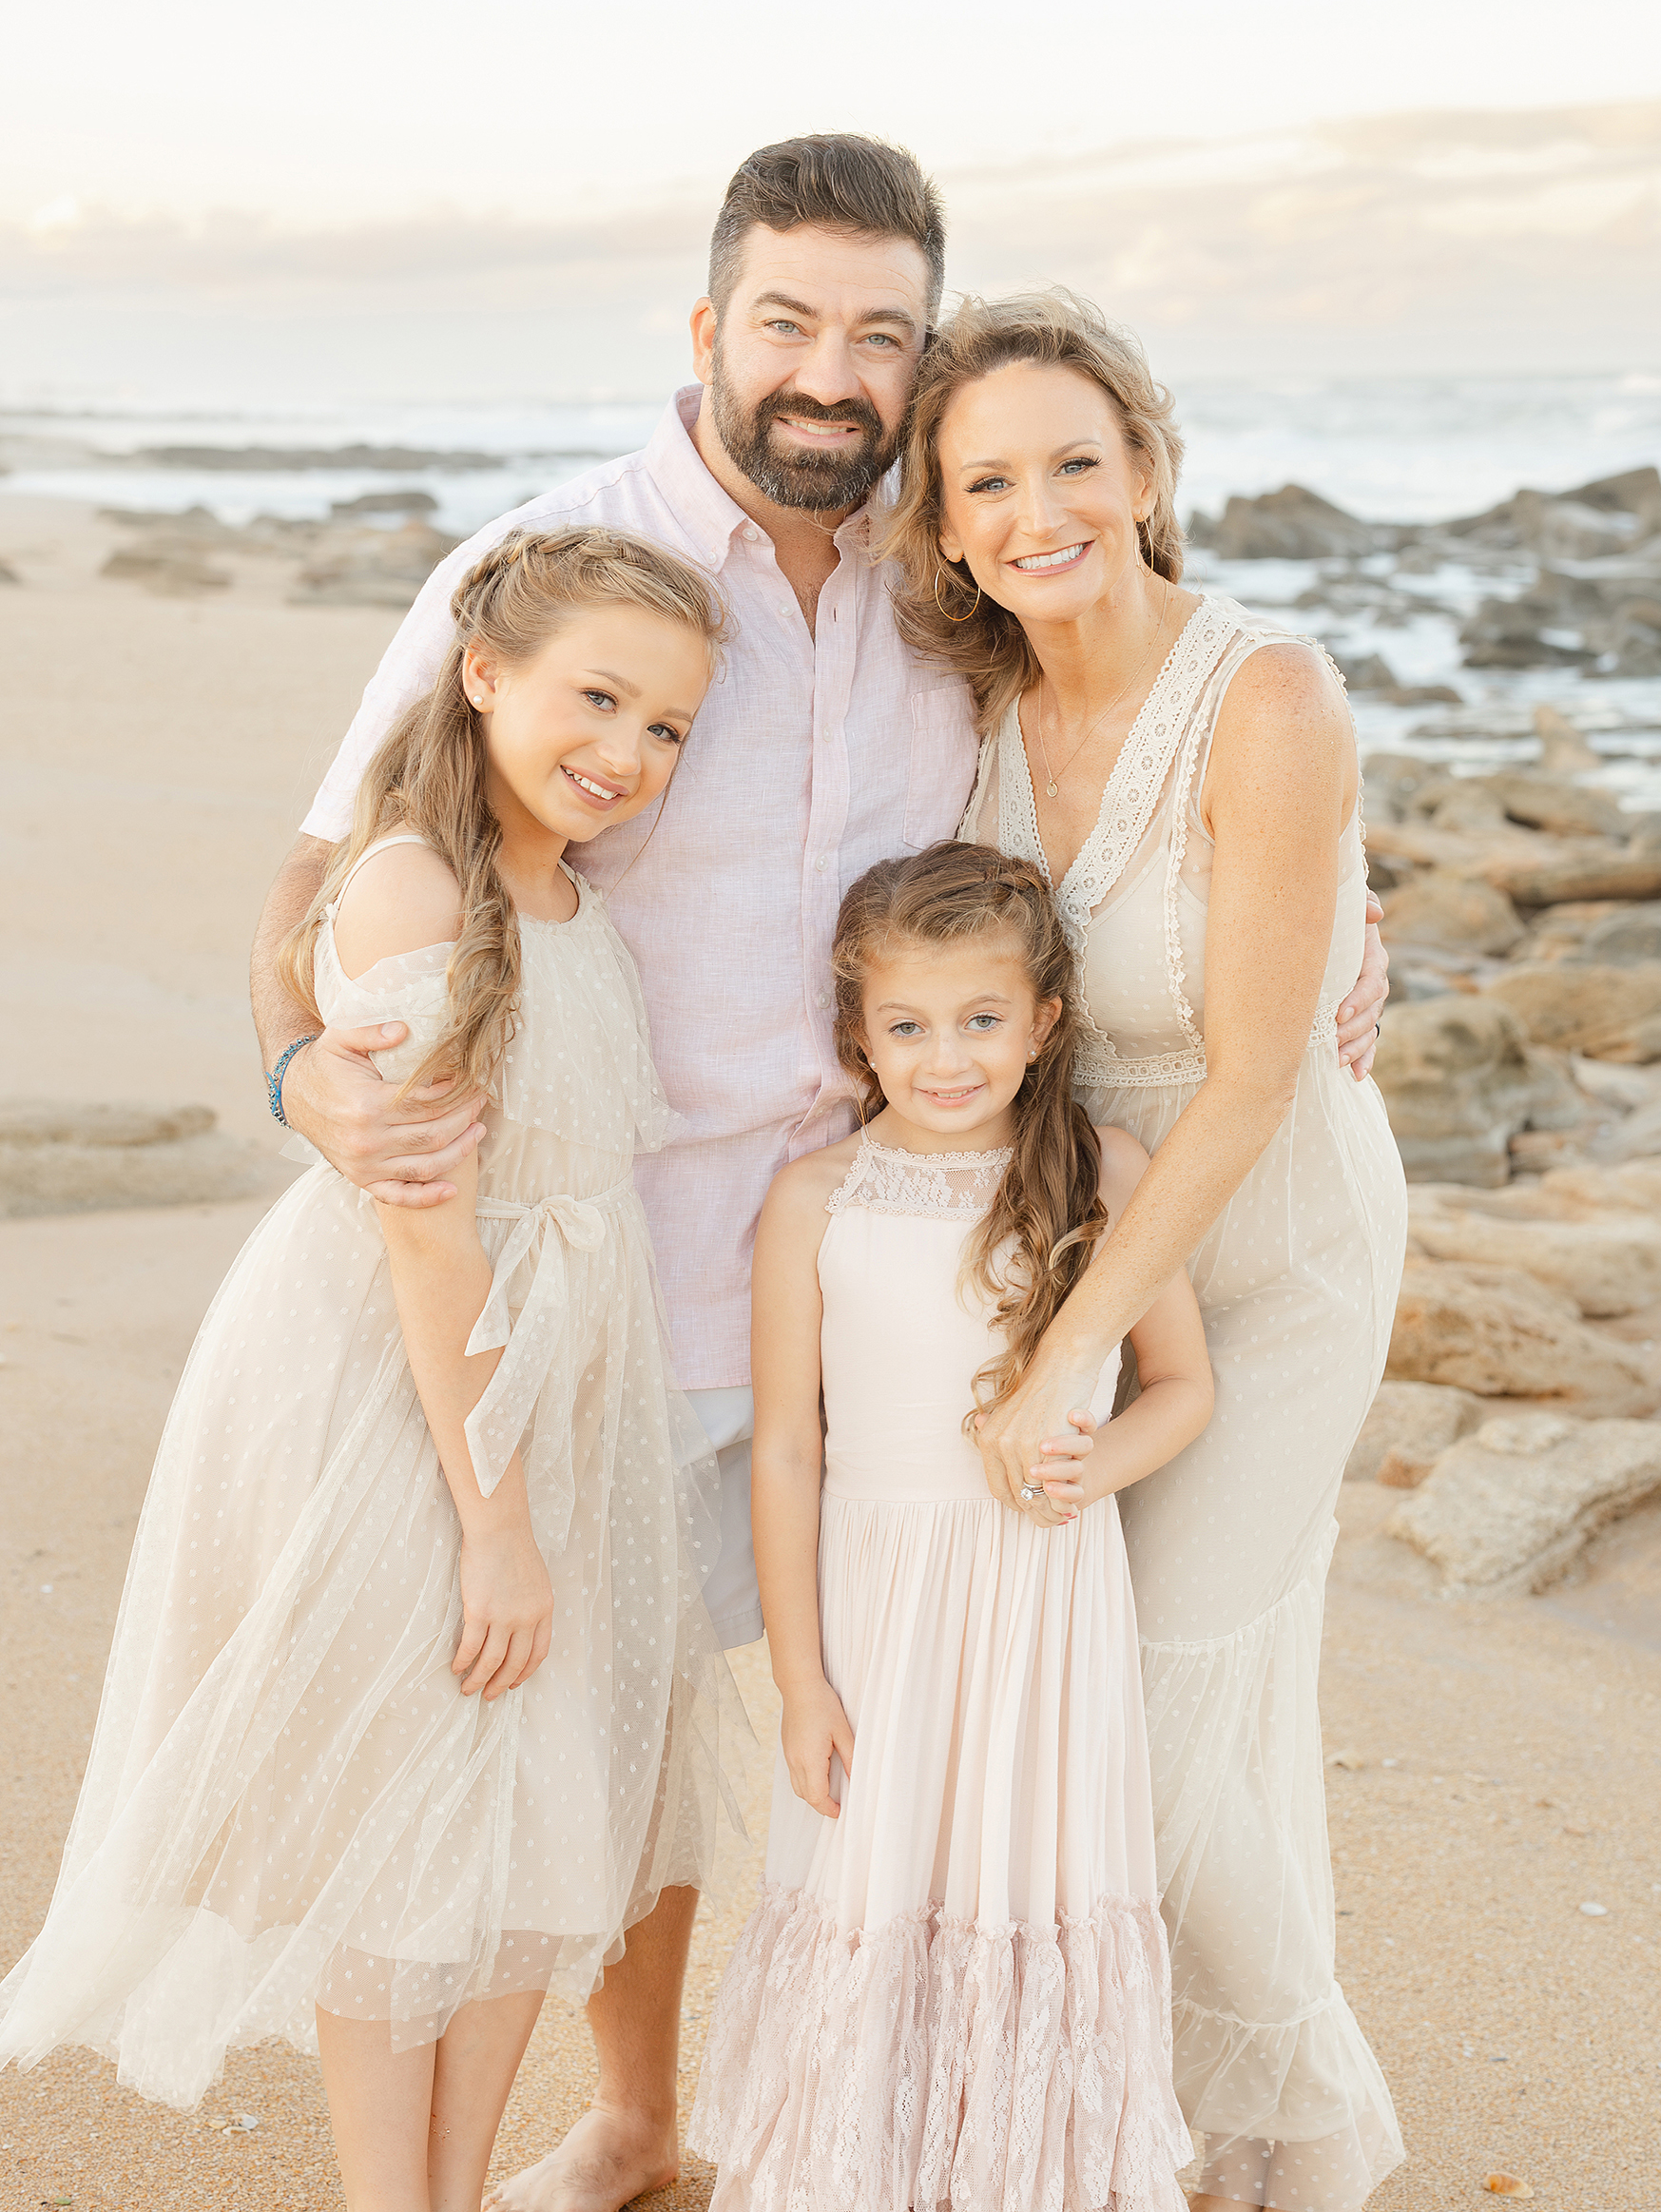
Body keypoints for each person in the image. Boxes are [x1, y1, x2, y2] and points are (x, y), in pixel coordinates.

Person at [245, 134, 1390, 2211]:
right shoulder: (555, 564)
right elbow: (331, 870)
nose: (830, 372)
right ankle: (642, 2120)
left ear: (925, 356)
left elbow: (1140, 821)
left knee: (984, 1707)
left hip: (910, 1256)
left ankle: (1077, 2123)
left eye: (879, 334)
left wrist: (1340, 925)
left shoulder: (940, 594)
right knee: (587, 1731)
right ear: (707, 328)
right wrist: (297, 1073)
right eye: (787, 321)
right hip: (603, 1246)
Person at [0, 528, 736, 2212]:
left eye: (668, 726)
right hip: (411, 1395)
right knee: (409, 1811)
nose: (624, 753)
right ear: (484, 675)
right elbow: (426, 1232)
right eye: (595, 698)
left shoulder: (574, 892)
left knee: (532, 1815)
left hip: (562, 1381)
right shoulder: (414, 886)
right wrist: (495, 1519)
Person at [883, 289, 1409, 2212]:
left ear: (1150, 473)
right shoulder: (971, 723)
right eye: (989, 480)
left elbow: (1256, 1070)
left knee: (1163, 1733)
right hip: (1087, 1276)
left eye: (1075, 464)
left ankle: (1325, 2116)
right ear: (940, 526)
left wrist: (1068, 1346)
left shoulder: (1266, 692)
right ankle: (1211, 2123)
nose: (1040, 511)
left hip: (1269, 1272)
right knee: (1099, 1722)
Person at [691, 844, 1211, 2211]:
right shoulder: (816, 1198)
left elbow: (1183, 1388)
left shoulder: (1107, 1168)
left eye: (982, 1020)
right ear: (857, 1032)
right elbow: (790, 1450)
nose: (945, 1058)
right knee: (878, 1872)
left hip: (1043, 1593)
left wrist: (1095, 1472)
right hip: (877, 1604)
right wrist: (801, 1680)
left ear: (1045, 1023)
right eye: (907, 1026)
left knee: (1022, 1880)